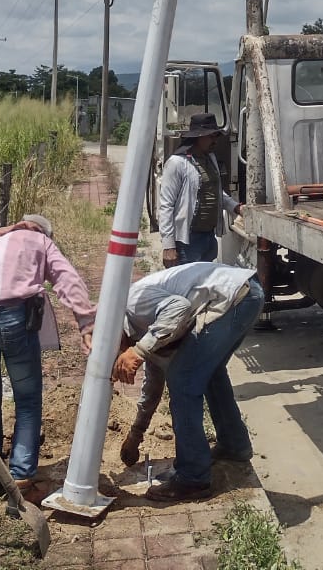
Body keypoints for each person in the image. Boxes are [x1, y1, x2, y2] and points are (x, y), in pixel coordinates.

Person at [0, 213, 96, 500]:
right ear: (44, 232)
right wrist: (86, 321)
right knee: (27, 400)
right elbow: (67, 279)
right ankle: (22, 480)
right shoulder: (39, 241)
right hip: (15, 321)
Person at [112, 260, 263, 502]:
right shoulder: (145, 332)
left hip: (235, 296)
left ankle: (193, 478)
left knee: (182, 379)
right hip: (246, 293)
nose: (120, 359)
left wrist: (138, 352)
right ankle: (234, 445)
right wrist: (135, 435)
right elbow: (152, 385)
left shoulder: (134, 303)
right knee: (210, 372)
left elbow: (179, 307)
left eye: (116, 357)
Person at [158, 112, 243, 268]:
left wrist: (236, 207)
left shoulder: (210, 159)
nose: (215, 140)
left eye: (216, 136)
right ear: (198, 137)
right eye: (211, 136)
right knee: (188, 287)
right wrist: (168, 245)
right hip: (188, 240)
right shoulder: (177, 163)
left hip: (208, 237)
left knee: (203, 287)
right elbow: (166, 206)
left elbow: (216, 192)